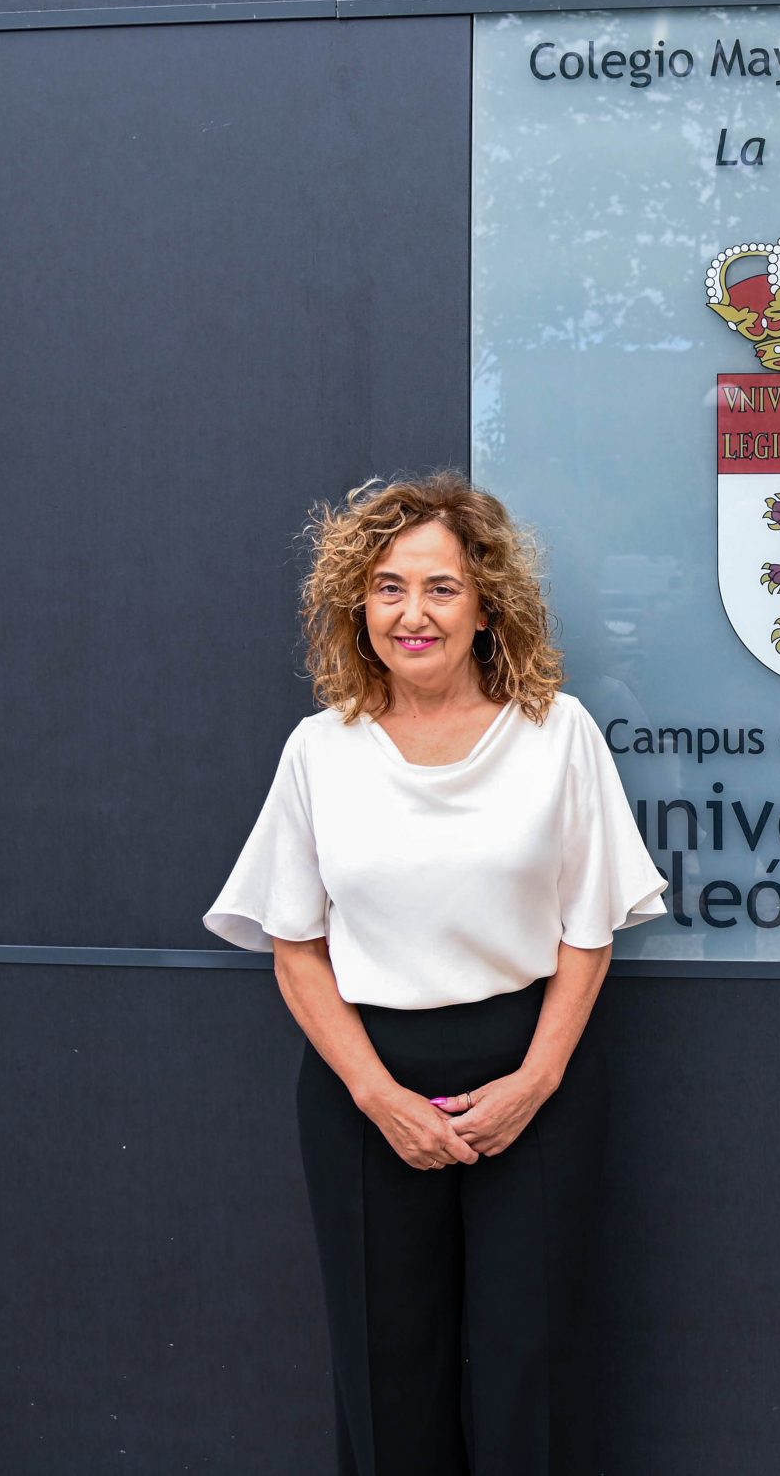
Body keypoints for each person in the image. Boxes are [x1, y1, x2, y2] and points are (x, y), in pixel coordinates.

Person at [204, 473, 664, 1476]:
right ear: (355, 606)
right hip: (367, 1083)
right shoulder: (319, 751)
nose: (413, 612)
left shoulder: (560, 735)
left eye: (441, 587)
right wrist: (378, 1095)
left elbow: (590, 932)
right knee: (385, 1368)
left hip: (532, 1076)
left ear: (486, 601)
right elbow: (295, 943)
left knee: (523, 1370)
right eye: (386, 587)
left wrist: (533, 1084)